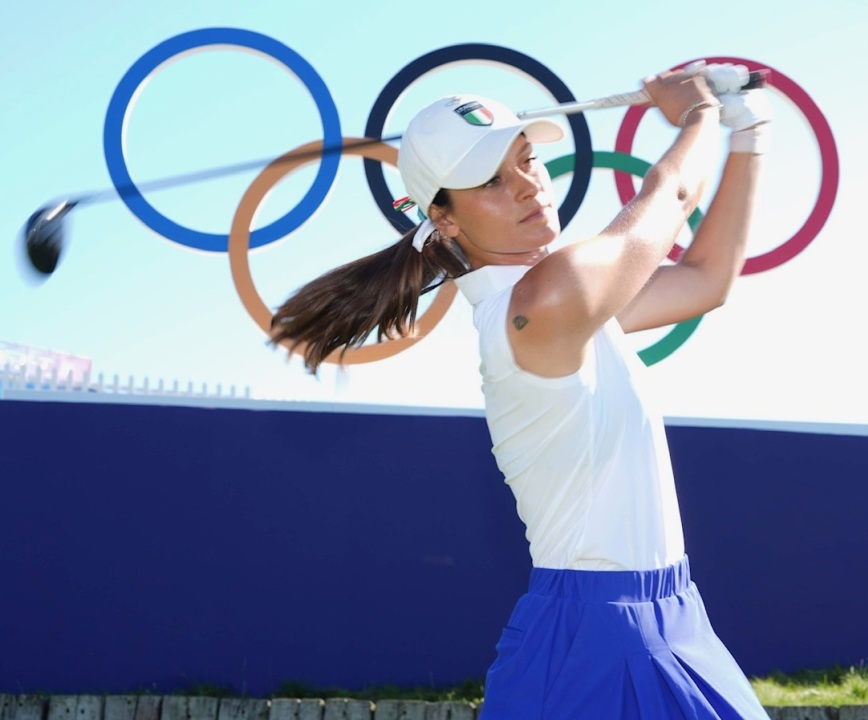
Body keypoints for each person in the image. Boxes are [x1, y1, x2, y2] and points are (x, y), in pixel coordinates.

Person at [269, 61, 772, 719]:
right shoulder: (539, 306)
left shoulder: (562, 306)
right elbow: (670, 200)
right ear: (444, 221)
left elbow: (706, 279)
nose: (529, 187)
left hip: (673, 617)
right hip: (591, 641)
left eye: (527, 160)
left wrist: (748, 133)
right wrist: (698, 114)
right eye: (491, 182)